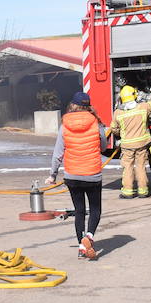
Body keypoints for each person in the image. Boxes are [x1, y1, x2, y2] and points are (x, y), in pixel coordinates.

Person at [44, 92, 110, 261]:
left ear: (72, 105)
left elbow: (58, 154)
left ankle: (81, 246)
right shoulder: (96, 122)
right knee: (95, 210)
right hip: (92, 174)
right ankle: (88, 238)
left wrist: (52, 175)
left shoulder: (64, 124)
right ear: (88, 105)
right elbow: (103, 146)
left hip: (72, 175)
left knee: (79, 211)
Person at [112, 84, 151, 198]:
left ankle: (128, 192)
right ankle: (143, 191)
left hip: (127, 145)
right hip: (142, 144)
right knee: (140, 167)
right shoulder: (143, 108)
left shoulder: (118, 113)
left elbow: (114, 129)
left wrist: (122, 134)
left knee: (127, 168)